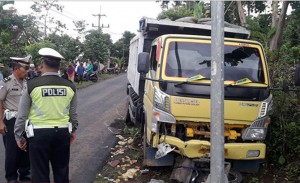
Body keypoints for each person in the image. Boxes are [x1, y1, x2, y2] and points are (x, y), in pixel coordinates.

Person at [14, 47, 78, 183]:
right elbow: (73, 115)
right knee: (61, 172)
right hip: (62, 134)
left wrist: (18, 135)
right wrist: (73, 131)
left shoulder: (31, 85)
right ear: (59, 66)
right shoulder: (70, 86)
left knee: (39, 175)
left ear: (42, 64)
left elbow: (22, 115)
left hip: (38, 136)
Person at [0, 56, 31, 182]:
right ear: (17, 68)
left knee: (26, 148)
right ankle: (11, 177)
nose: (27, 71)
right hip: (11, 120)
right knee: (12, 151)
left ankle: (24, 173)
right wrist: (0, 122)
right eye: (26, 68)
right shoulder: (5, 82)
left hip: (26, 120)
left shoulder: (28, 82)